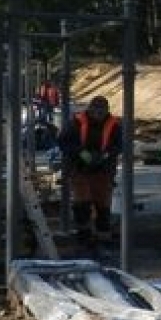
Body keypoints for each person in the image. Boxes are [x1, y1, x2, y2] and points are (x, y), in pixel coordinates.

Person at [58, 95, 123, 246]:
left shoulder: (114, 125)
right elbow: (63, 141)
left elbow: (119, 145)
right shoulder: (76, 123)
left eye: (102, 111)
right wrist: (80, 152)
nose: (99, 114)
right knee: (82, 204)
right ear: (90, 109)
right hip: (80, 168)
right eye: (96, 110)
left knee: (103, 205)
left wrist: (106, 154)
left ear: (107, 111)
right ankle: (84, 236)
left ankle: (103, 236)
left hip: (103, 169)